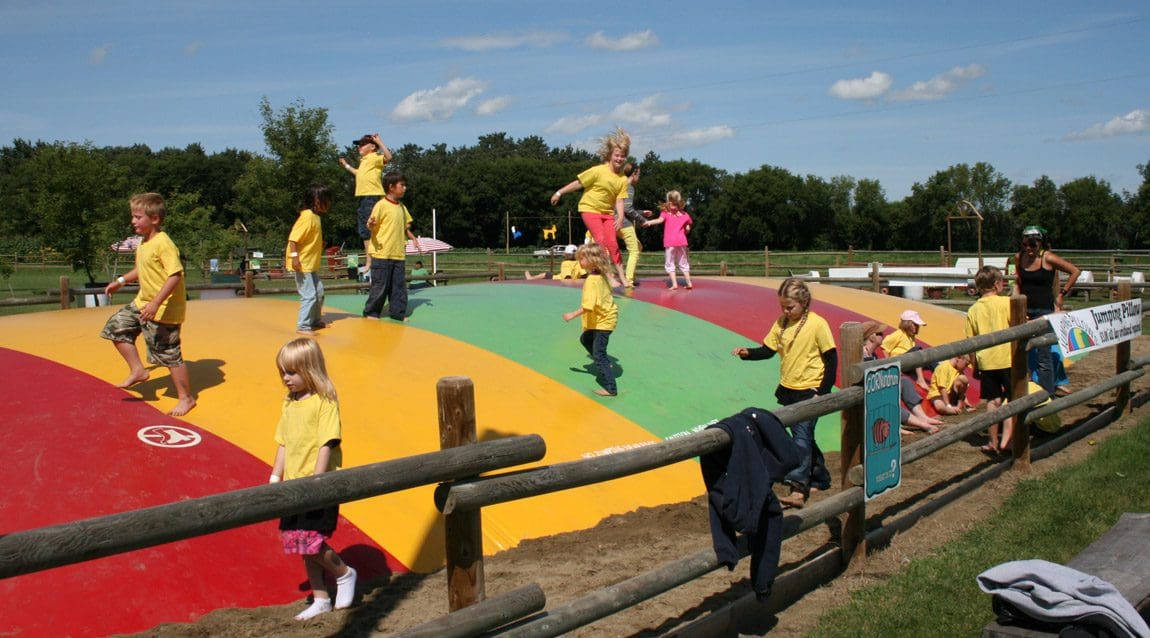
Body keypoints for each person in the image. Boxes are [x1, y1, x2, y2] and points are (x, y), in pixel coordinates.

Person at [269, 338, 357, 620]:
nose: (286, 378)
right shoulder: (289, 403)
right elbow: (283, 442)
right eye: (282, 372)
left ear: (310, 370)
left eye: (292, 372)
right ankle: (320, 598)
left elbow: (326, 443)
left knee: (310, 541)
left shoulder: (324, 401)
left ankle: (344, 573)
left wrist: (317, 481)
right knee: (299, 543)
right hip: (294, 485)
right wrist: (275, 476)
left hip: (317, 485)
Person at [732, 277, 837, 508]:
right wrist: (747, 353)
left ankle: (798, 489)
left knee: (801, 437)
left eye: (790, 307)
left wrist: (823, 392)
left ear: (804, 302)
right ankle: (820, 477)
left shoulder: (818, 324)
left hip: (810, 389)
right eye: (783, 307)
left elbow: (831, 358)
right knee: (803, 436)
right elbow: (768, 350)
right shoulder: (781, 323)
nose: (786, 311)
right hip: (789, 389)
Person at [101, 193, 195, 416]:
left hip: (164, 308)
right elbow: (141, 269)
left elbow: (175, 275)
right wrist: (120, 281)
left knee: (168, 353)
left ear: (154, 219)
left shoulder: (164, 244)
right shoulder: (144, 243)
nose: (132, 221)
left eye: (137, 217)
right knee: (116, 328)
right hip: (142, 302)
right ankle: (138, 371)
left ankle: (186, 398)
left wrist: (155, 303)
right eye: (133, 216)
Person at [550, 127, 630, 287]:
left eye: (622, 156)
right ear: (610, 155)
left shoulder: (622, 179)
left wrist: (621, 216)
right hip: (590, 209)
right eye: (616, 155)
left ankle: (623, 276)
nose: (619, 158)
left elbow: (620, 200)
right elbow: (578, 183)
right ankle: (609, 276)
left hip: (607, 213)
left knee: (613, 244)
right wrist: (559, 192)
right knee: (600, 240)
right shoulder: (597, 171)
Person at [1015, 225, 1080, 396]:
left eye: (1033, 245)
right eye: (1025, 245)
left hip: (1044, 311)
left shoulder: (1048, 258)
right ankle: (1031, 389)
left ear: (1040, 243)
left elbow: (1075, 271)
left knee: (1044, 354)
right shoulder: (1019, 257)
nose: (1029, 249)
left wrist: (1062, 293)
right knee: (1025, 351)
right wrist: (1016, 301)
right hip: (1025, 311)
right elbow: (1019, 281)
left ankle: (1047, 393)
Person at [861, 321, 943, 434]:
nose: (883, 336)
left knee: (904, 382)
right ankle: (921, 425)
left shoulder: (873, 354)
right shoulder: (862, 355)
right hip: (869, 393)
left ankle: (922, 417)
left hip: (877, 387)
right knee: (887, 398)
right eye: (880, 334)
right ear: (872, 337)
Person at [965, 265, 1013, 452]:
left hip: (986, 361)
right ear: (996, 284)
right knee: (1013, 399)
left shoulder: (973, 310)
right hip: (1008, 358)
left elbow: (971, 342)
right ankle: (1009, 440)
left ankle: (993, 441)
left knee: (992, 402)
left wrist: (975, 365)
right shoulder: (1006, 303)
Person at [363, 171, 422, 322]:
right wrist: (371, 224)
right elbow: (371, 225)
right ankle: (372, 312)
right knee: (380, 286)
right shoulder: (381, 205)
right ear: (391, 187)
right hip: (382, 254)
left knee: (399, 287)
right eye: (402, 185)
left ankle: (397, 313)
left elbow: (405, 227)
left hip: (398, 254)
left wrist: (413, 238)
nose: (405, 188)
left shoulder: (402, 207)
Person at [562, 244, 620, 397]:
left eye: (582, 258)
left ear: (592, 261)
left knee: (599, 353)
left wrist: (571, 315)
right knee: (586, 339)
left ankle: (610, 388)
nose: (579, 261)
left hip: (603, 321)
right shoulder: (601, 275)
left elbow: (588, 306)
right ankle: (605, 363)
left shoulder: (592, 280)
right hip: (603, 318)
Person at [338, 133, 393, 269]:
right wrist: (346, 165)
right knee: (364, 230)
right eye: (359, 145)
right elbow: (358, 173)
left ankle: (371, 261)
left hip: (371, 196)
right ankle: (371, 259)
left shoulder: (374, 157)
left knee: (368, 229)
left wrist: (379, 142)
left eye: (362, 145)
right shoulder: (364, 161)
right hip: (364, 197)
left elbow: (388, 157)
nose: (359, 147)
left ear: (372, 147)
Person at [286, 185, 331, 336]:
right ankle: (303, 326)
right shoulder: (306, 216)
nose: (329, 203)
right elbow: (293, 239)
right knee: (309, 295)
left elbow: (309, 237)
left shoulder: (316, 217)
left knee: (319, 293)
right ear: (316, 201)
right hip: (302, 264)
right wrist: (295, 258)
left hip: (310, 264)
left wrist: (319, 243)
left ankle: (315, 321)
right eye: (326, 200)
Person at [642, 190, 694, 290]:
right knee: (683, 262)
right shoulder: (685, 214)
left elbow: (659, 220)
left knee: (670, 263)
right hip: (682, 242)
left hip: (670, 242)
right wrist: (684, 232)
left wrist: (649, 222)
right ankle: (689, 282)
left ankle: (674, 284)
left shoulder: (665, 213)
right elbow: (688, 228)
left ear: (668, 202)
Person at [616, 163, 650, 287]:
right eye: (638, 174)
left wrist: (642, 212)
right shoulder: (629, 186)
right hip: (623, 223)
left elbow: (624, 207)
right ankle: (629, 280)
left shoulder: (619, 184)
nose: (639, 177)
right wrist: (643, 220)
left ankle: (630, 276)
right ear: (634, 173)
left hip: (613, 221)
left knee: (638, 246)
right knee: (634, 250)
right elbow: (627, 209)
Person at [883, 310, 930, 390]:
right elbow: (884, 347)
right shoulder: (899, 334)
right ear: (907, 324)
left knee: (929, 354)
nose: (917, 327)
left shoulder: (911, 337)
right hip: (901, 361)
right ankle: (921, 380)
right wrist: (890, 365)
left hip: (909, 362)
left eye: (918, 325)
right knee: (917, 350)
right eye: (915, 324)